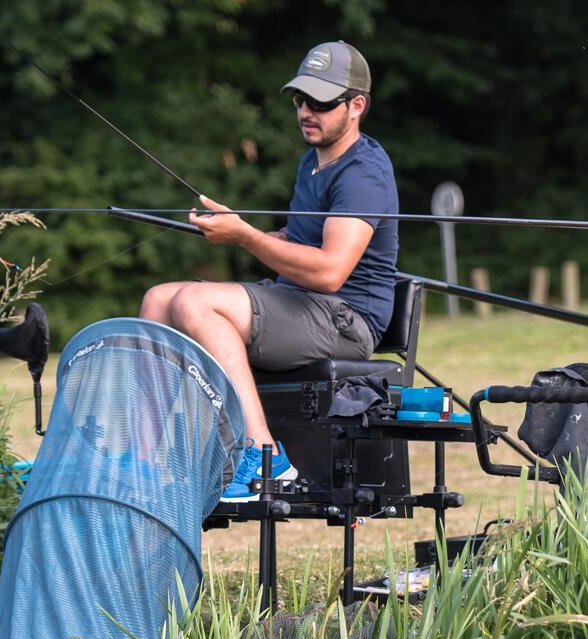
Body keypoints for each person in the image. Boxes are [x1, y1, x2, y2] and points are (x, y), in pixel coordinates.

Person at [141, 41, 399, 502]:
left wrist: (244, 236)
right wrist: (234, 227)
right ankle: (147, 455)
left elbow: (329, 272)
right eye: (300, 98)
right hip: (301, 304)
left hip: (344, 318)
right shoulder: (313, 162)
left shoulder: (364, 173)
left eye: (320, 102)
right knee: (159, 299)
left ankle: (263, 458)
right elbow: (299, 240)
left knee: (194, 303)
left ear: (356, 105)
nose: (305, 111)